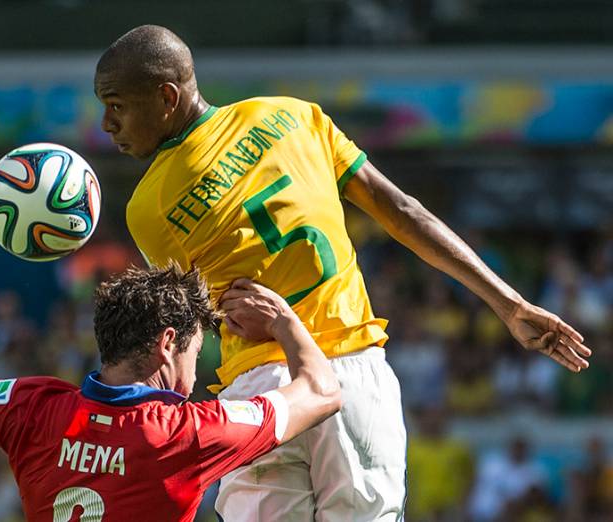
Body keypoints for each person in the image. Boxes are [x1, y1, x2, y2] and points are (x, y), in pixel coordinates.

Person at [93, 24, 593, 521]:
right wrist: (510, 304)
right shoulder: (293, 114)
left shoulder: (149, 209)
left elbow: (195, 327)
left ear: (166, 95)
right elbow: (402, 211)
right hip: (352, 376)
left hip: (265, 397)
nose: (107, 123)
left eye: (117, 105)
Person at [0, 199, 342, 521]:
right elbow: (323, 391)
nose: (195, 372)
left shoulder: (31, 406)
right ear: (168, 342)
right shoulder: (187, 433)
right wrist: (282, 319)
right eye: (194, 351)